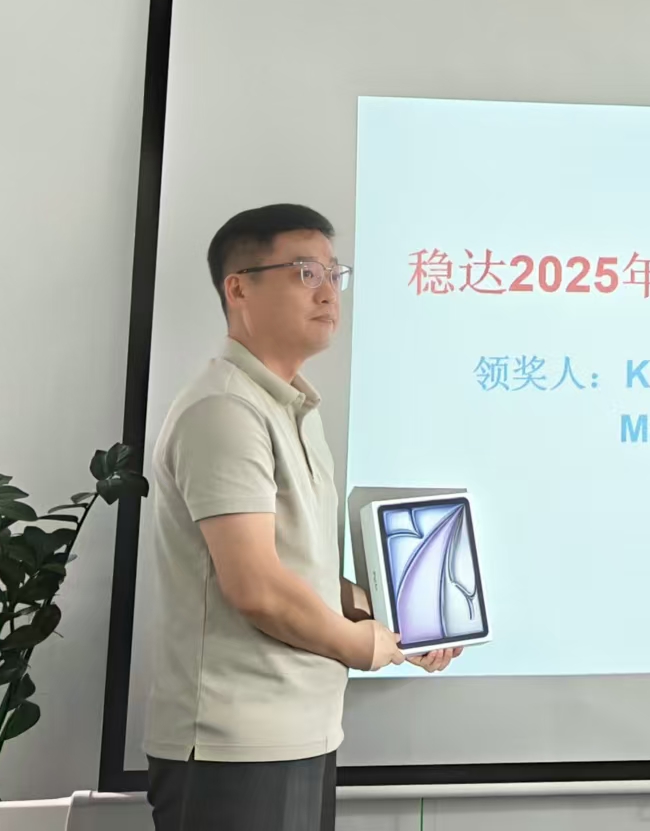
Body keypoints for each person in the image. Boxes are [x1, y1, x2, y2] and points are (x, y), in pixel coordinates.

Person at [145, 204, 461, 831]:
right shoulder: (225, 410)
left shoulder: (291, 408)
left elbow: (296, 567)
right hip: (235, 744)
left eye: (334, 274)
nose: (329, 293)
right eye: (306, 273)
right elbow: (257, 587)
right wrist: (363, 645)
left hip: (299, 732)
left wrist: (393, 614)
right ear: (239, 289)